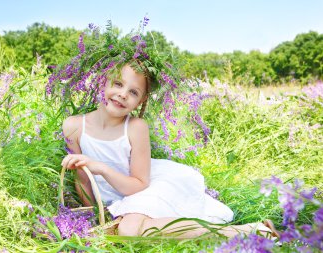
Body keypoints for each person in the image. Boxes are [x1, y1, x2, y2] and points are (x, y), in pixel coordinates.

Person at [60, 62, 279, 239]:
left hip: (144, 186)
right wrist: (96, 217)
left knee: (129, 231)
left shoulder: (135, 128)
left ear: (141, 101)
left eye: (133, 92)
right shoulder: (73, 126)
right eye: (117, 84)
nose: (122, 94)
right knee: (132, 229)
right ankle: (252, 231)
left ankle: (245, 232)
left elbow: (139, 184)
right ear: (102, 82)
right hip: (116, 200)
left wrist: (103, 168)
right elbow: (83, 180)